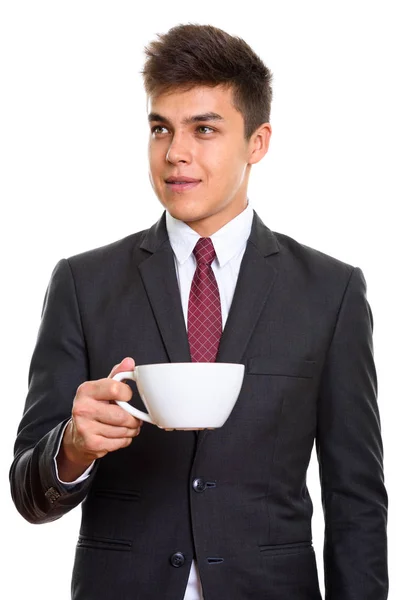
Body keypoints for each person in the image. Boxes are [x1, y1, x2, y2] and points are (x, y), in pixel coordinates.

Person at [9, 23, 388, 600]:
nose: (174, 152)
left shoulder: (330, 291)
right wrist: (72, 447)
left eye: (203, 129)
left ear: (257, 143)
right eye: (160, 128)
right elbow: (27, 496)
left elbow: (355, 498)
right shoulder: (82, 284)